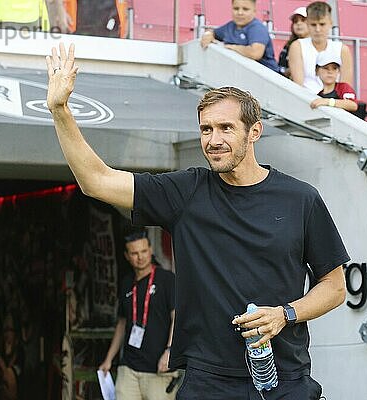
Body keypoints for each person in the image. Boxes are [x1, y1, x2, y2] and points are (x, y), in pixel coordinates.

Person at [46, 43, 348, 399]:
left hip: (284, 379)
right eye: (206, 130)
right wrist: (60, 110)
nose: (214, 140)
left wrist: (285, 314)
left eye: (225, 128)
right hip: (208, 382)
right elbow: (97, 181)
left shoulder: (301, 199)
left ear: (255, 132)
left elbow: (335, 287)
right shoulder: (187, 192)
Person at [98, 229, 177, 400]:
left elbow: (176, 317)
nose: (140, 257)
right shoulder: (127, 282)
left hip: (158, 369)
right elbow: (122, 323)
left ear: (150, 250)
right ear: (127, 256)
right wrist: (108, 359)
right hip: (129, 368)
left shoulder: (166, 279)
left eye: (143, 251)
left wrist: (169, 351)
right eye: (134, 253)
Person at [287, 1, 353, 94]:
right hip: (306, 102)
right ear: (307, 23)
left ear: (330, 23)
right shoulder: (297, 46)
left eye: (322, 24)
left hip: (334, 105)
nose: (318, 29)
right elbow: (299, 87)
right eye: (313, 24)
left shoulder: (342, 50)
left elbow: (345, 90)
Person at [200, 0, 280, 73]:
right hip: (240, 74)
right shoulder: (230, 26)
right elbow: (213, 32)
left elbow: (255, 53)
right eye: (236, 8)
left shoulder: (257, 28)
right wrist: (208, 35)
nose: (240, 12)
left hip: (267, 76)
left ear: (254, 11)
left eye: (245, 9)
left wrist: (234, 48)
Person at [278, 7, 309, 77]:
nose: (299, 24)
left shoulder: (317, 45)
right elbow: (281, 68)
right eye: (295, 21)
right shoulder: (288, 46)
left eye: (303, 20)